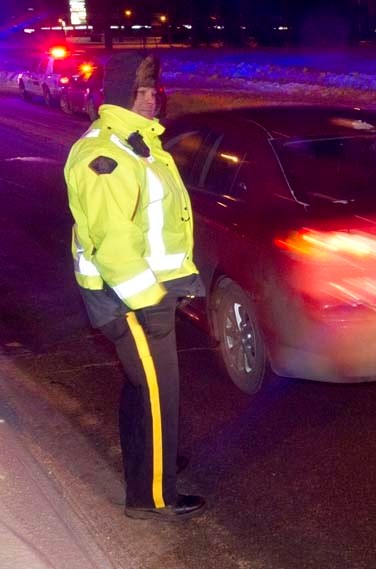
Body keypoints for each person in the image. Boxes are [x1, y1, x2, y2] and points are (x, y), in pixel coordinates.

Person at [63, 52, 206, 521]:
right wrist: (152, 300)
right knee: (160, 393)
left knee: (141, 388)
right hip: (130, 300)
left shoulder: (136, 143)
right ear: (128, 95)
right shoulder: (107, 154)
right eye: (147, 91)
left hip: (139, 293)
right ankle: (153, 497)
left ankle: (148, 461)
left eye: (156, 90)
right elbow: (113, 244)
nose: (155, 99)